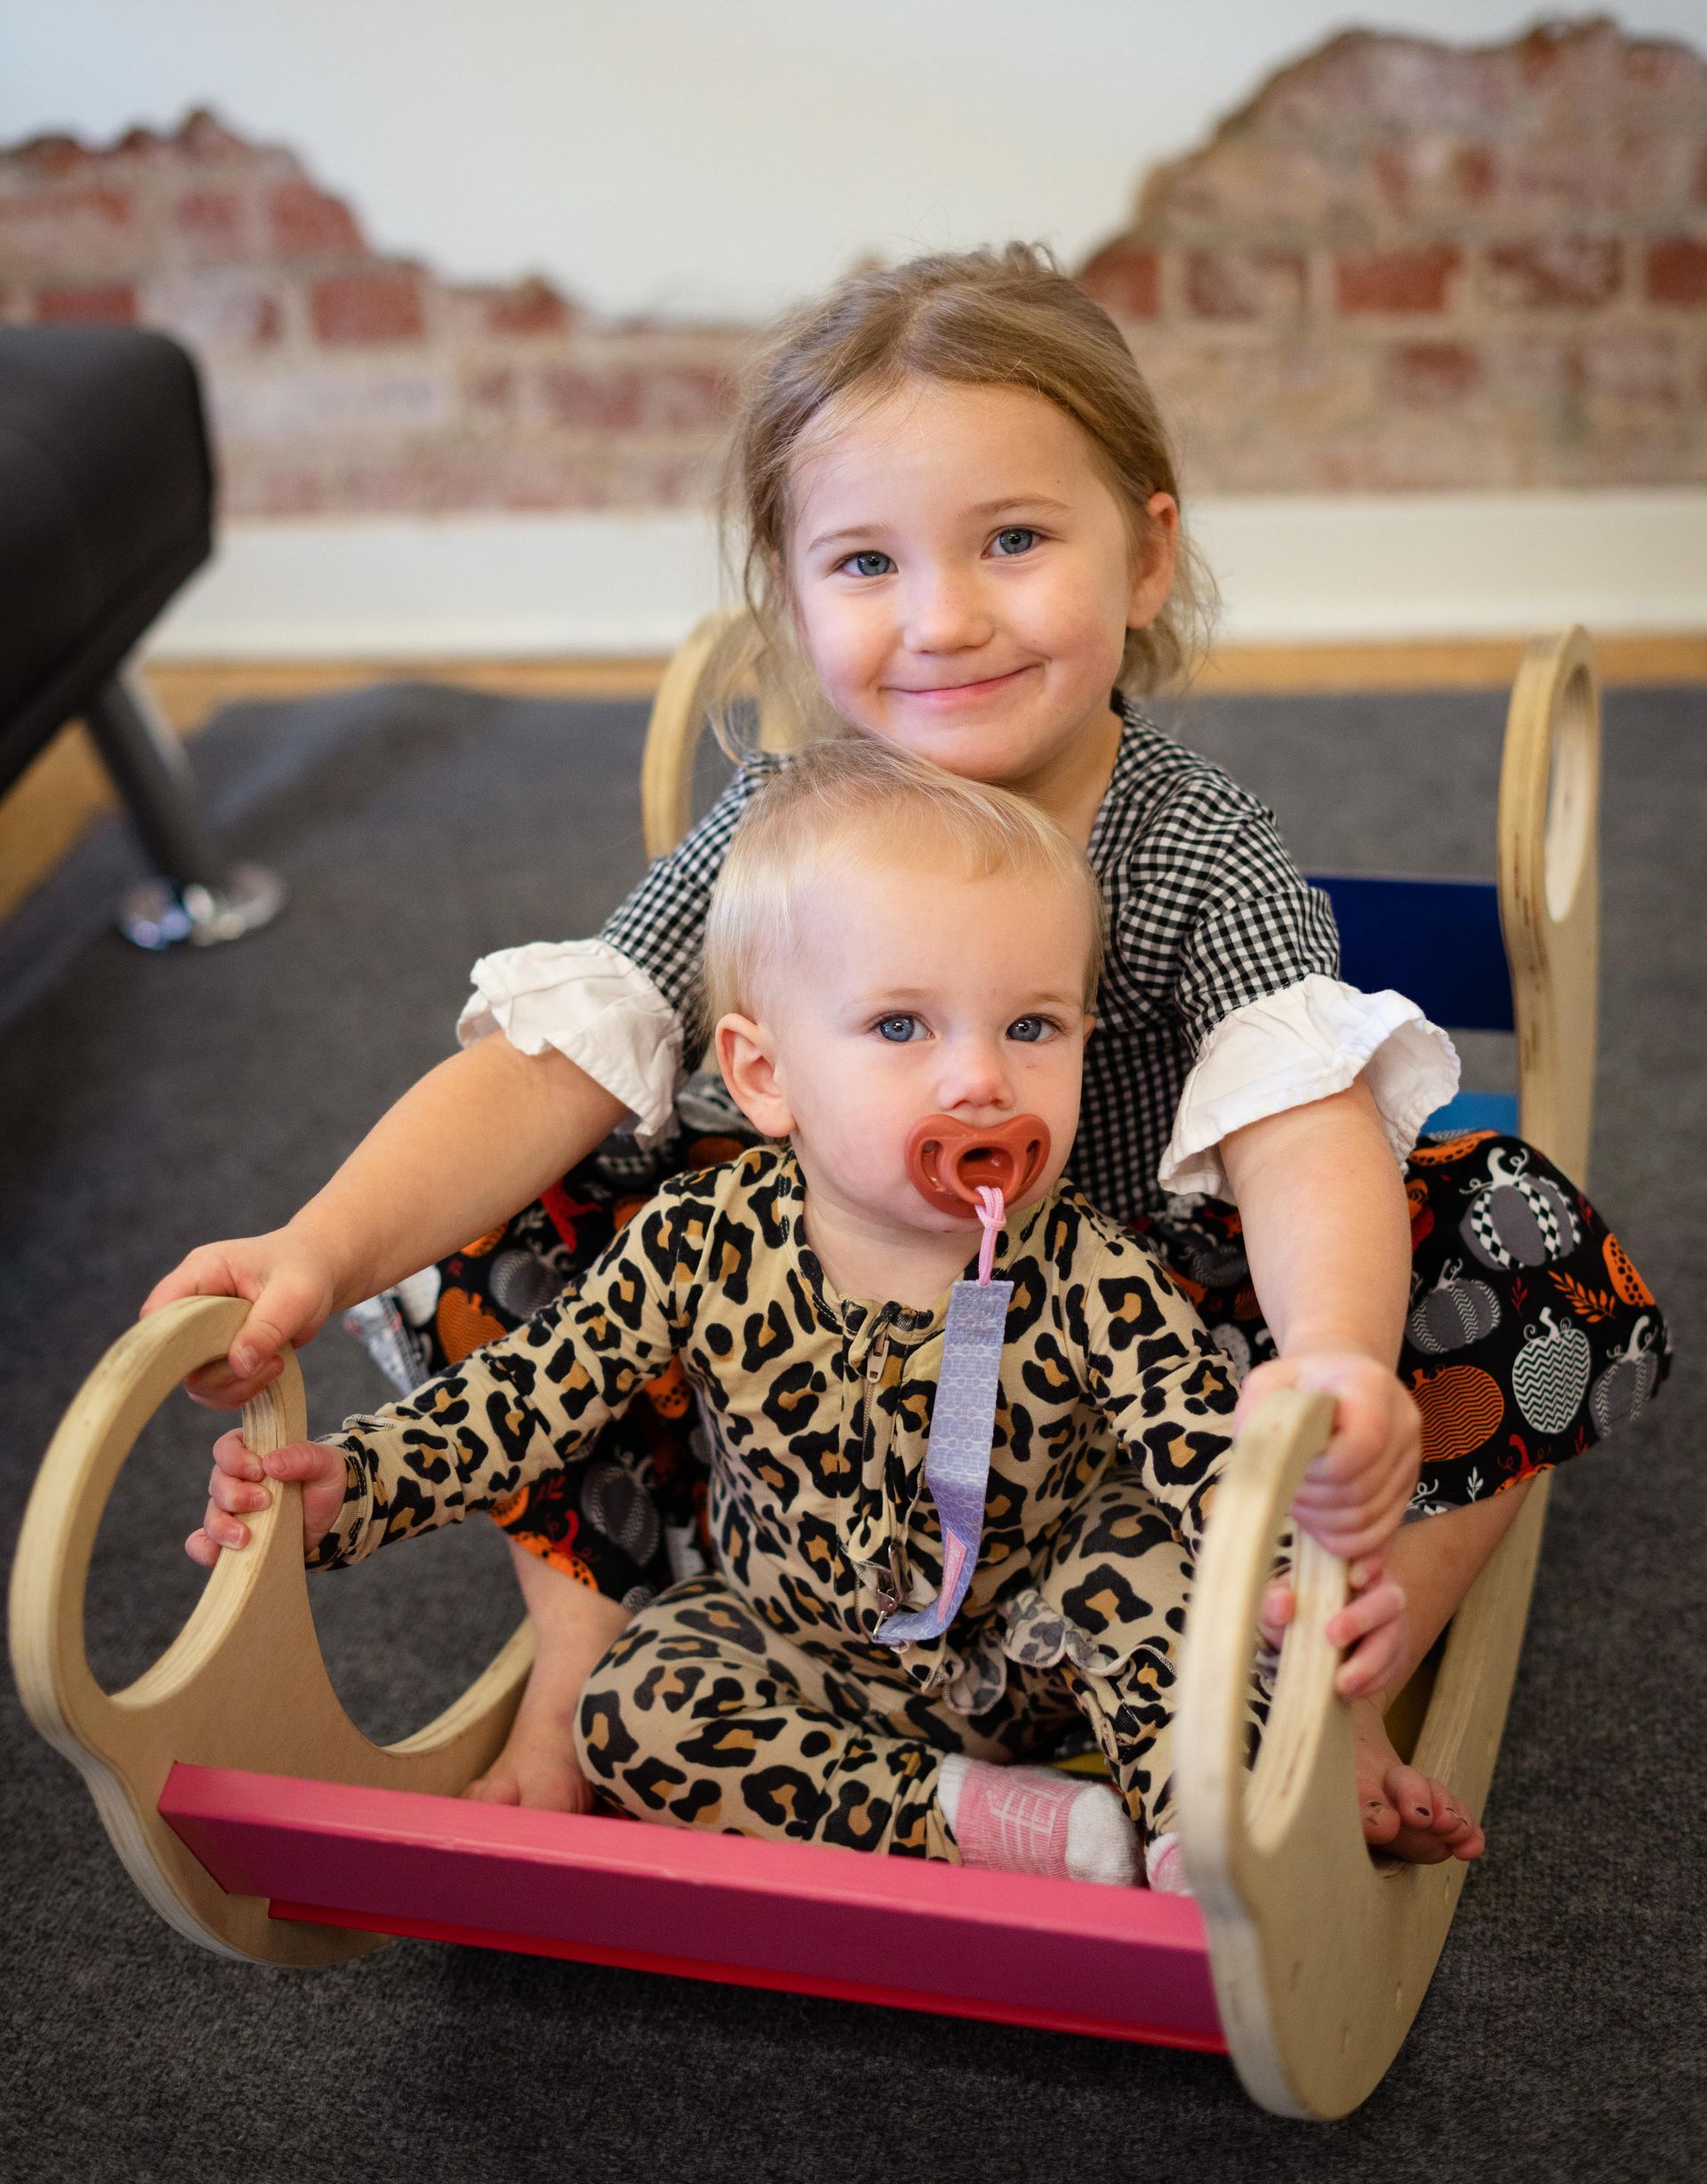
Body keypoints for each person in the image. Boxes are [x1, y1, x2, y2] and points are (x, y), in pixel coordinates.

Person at [151, 245, 1666, 1867]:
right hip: (830, 1324)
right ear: (792, 592)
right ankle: (586, 1655)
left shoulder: (1189, 847)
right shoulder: (780, 831)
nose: (945, 619)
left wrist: (1342, 1368)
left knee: (1522, 1239)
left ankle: (1329, 1676)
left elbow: (1302, 1127)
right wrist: (313, 1249)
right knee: (504, 1215)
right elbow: (550, 1068)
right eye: (866, 563)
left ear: (1148, 555)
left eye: (1014, 541)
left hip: (1134, 1352)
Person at [187, 743, 1431, 1887]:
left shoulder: (1096, 1271)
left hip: (1054, 1632)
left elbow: (1206, 1458)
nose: (980, 1077)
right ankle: (985, 1821)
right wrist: (348, 1488)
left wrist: (1301, 1582)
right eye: (900, 1026)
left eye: (1033, 1026)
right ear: (764, 1075)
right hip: (802, 1644)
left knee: (1163, 1587)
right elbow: (525, 1403)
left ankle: (1198, 1836)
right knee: (638, 1704)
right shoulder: (696, 1241)